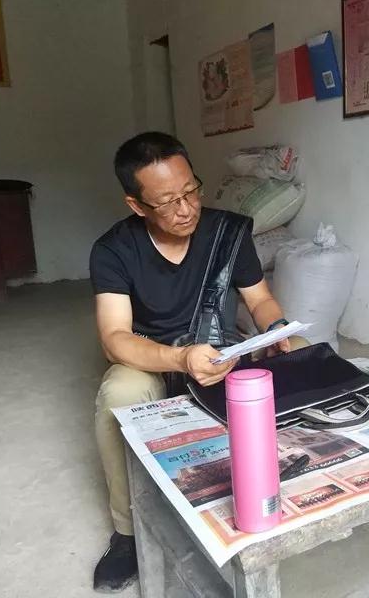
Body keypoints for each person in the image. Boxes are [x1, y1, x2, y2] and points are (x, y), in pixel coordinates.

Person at [89, 132, 292, 592]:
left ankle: (278, 489)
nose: (186, 209)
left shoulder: (227, 232)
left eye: (191, 191)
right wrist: (179, 358)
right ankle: (127, 533)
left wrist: (277, 329)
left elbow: (260, 300)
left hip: (218, 349)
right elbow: (115, 338)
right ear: (137, 205)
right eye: (167, 202)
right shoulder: (113, 249)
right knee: (119, 393)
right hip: (154, 356)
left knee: (293, 361)